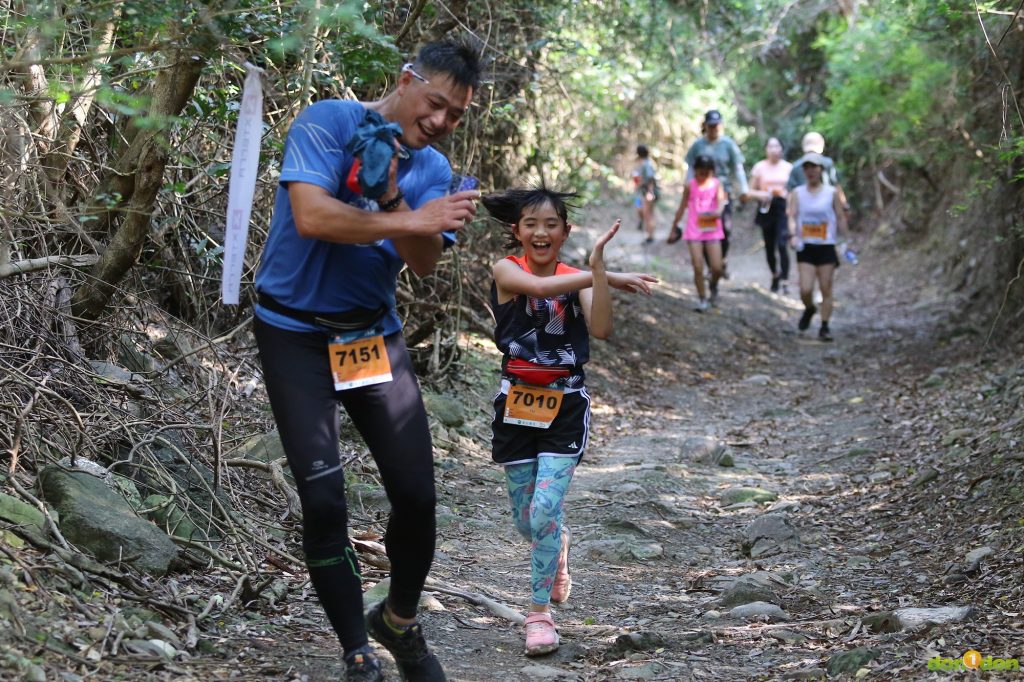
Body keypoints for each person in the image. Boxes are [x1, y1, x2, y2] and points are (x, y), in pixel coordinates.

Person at [252, 40, 482, 682]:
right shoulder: (330, 121)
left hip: (369, 339)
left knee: (416, 496)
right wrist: (413, 216)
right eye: (436, 102)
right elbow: (313, 216)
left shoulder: (433, 167)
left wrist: (392, 201)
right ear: (407, 81)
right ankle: (357, 650)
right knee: (324, 500)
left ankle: (399, 623)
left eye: (456, 113)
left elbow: (426, 260)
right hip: (293, 334)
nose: (441, 120)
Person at [481, 187, 655, 657]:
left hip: (566, 407)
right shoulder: (506, 270)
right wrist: (603, 273)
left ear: (565, 231)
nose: (541, 233)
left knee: (542, 513)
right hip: (515, 406)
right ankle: (556, 548)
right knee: (527, 522)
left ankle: (539, 615)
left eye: (551, 224)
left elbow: (601, 330)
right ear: (516, 231)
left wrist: (598, 275)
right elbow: (537, 289)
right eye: (531, 224)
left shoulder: (578, 277)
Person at [787, 153, 850, 341]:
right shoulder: (797, 192)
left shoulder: (831, 192)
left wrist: (845, 240)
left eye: (814, 167)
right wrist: (793, 235)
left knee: (826, 287)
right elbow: (792, 215)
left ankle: (824, 326)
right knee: (805, 289)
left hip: (826, 245)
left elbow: (839, 216)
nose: (810, 171)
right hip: (805, 245)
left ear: (821, 169)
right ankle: (809, 308)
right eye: (807, 168)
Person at [683, 110, 749, 275]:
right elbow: (691, 168)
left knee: (725, 229)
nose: (714, 128)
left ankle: (721, 260)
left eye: (716, 125)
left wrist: (743, 189)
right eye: (711, 125)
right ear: (705, 126)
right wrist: (688, 187)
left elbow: (738, 168)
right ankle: (711, 266)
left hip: (722, 192)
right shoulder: (698, 145)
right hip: (701, 195)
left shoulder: (728, 144)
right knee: (704, 229)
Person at [670, 154, 726, 311]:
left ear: (712, 172)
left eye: (706, 173)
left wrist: (717, 212)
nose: (703, 176)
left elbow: (721, 202)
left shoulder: (716, 184)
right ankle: (702, 298)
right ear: (695, 171)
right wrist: (674, 227)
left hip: (712, 229)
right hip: (694, 230)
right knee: (698, 266)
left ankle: (713, 286)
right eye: (700, 173)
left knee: (717, 267)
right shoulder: (690, 186)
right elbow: (682, 208)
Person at [749, 138, 794, 293]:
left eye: (777, 146)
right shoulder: (759, 167)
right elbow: (750, 191)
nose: (774, 149)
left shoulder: (789, 168)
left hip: (783, 208)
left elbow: (795, 191)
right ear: (766, 149)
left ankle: (786, 281)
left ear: (781, 149)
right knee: (769, 247)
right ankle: (775, 274)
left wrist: (787, 197)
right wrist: (762, 194)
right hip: (766, 208)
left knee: (782, 244)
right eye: (771, 146)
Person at [634, 144, 659, 243]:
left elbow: (650, 179)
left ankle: (650, 236)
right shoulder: (644, 163)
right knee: (641, 210)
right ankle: (647, 231)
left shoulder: (647, 164)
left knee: (648, 215)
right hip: (641, 193)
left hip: (647, 193)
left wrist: (650, 192)